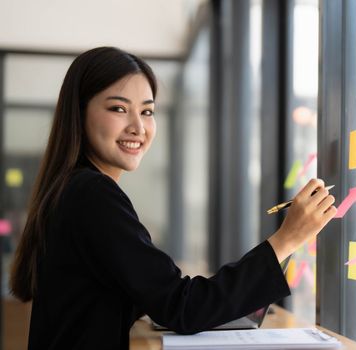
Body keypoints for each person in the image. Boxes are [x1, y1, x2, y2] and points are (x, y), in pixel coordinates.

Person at [9, 47, 337, 350]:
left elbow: (157, 297)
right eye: (119, 108)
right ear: (79, 113)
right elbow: (182, 308)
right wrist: (287, 238)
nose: (138, 126)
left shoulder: (72, 188)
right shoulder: (92, 194)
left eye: (148, 112)